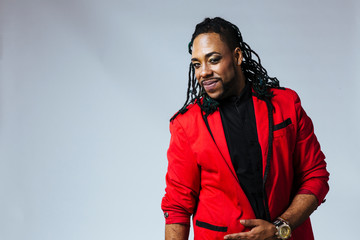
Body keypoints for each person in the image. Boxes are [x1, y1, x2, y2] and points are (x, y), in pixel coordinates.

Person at [161, 17, 329, 240]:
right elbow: (177, 207)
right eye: (197, 64)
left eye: (213, 60)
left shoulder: (286, 104)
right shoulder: (187, 124)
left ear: (238, 56)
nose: (203, 72)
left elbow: (315, 175)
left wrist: (280, 228)